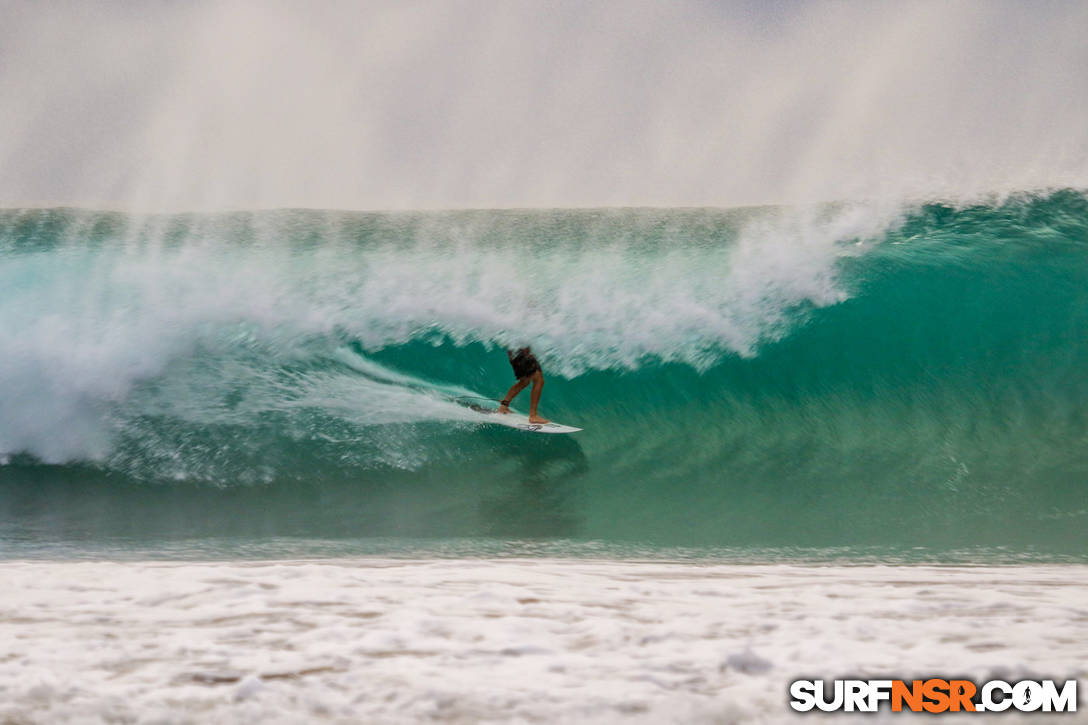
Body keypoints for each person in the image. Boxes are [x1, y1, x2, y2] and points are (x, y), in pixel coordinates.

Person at [498, 347, 549, 424]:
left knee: (524, 381)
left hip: (515, 351)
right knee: (538, 380)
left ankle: (503, 407)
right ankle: (533, 415)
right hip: (522, 351)